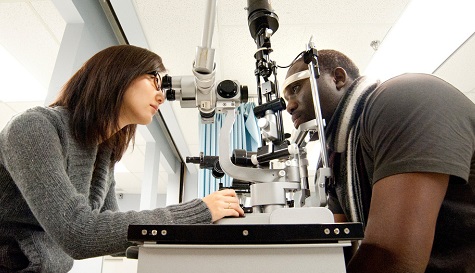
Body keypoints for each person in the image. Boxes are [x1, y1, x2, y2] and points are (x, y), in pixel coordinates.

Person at [0, 45, 244, 272]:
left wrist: (201, 242)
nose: (161, 97)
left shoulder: (103, 153)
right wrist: (197, 211)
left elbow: (116, 238)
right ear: (116, 74)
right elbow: (79, 233)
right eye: (154, 80)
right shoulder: (34, 128)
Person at [282, 49, 474, 273]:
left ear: (338, 78)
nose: (289, 106)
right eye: (286, 99)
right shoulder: (336, 157)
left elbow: (391, 257)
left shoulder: (405, 99)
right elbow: (334, 242)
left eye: (295, 89)